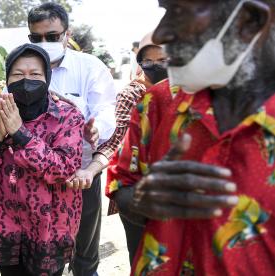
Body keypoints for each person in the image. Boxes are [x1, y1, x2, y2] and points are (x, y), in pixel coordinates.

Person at [110, 0, 275, 274]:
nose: (161, 34)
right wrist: (142, 200)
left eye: (177, 11)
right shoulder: (156, 103)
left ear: (249, 20)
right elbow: (123, 189)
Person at [0, 43, 84, 276]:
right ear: (7, 77)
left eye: (35, 74)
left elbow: (63, 169)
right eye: (18, 74)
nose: (26, 81)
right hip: (3, 220)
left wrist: (20, 134)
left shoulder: (67, 115)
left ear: (47, 77)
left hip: (50, 224)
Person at [27, 3, 117, 275]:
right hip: (38, 177)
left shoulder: (89, 67)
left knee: (85, 251)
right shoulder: (25, 68)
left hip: (82, 174)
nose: (45, 43)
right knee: (44, 252)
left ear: (67, 34)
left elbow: (106, 110)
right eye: (37, 38)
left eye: (52, 36)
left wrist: (96, 130)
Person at [101, 32, 168, 265]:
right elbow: (117, 139)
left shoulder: (191, 94)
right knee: (142, 257)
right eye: (148, 60)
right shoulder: (134, 95)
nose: (155, 65)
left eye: (162, 59)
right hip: (140, 192)